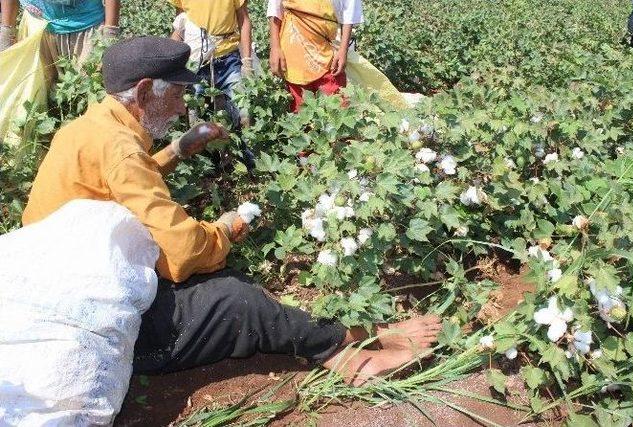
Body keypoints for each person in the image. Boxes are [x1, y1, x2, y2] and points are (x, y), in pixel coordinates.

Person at [22, 37, 442, 385]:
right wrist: (224, 230)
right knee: (235, 298)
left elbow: (118, 184)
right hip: (92, 324)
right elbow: (184, 254)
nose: (183, 106)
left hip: (54, 284)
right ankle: (349, 353)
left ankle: (347, 340)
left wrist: (177, 149)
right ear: (146, 90)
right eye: (177, 94)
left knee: (213, 276)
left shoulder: (90, 126)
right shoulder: (120, 150)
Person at [267, 0, 363, 112]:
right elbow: (275, 8)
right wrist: (275, 48)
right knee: (300, 112)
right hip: (293, 44)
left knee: (336, 108)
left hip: (329, 48)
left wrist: (343, 49)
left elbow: (349, 10)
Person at [169, 0, 252, 129]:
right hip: (196, 61)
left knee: (243, 113)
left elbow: (244, 20)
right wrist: (172, 63)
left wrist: (247, 60)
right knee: (195, 118)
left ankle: (243, 146)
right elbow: (180, 25)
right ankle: (203, 148)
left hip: (228, 58)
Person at [0, 0, 121, 84]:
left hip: (87, 29)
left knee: (91, 93)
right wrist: (6, 30)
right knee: (38, 99)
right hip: (36, 27)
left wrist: (110, 31)